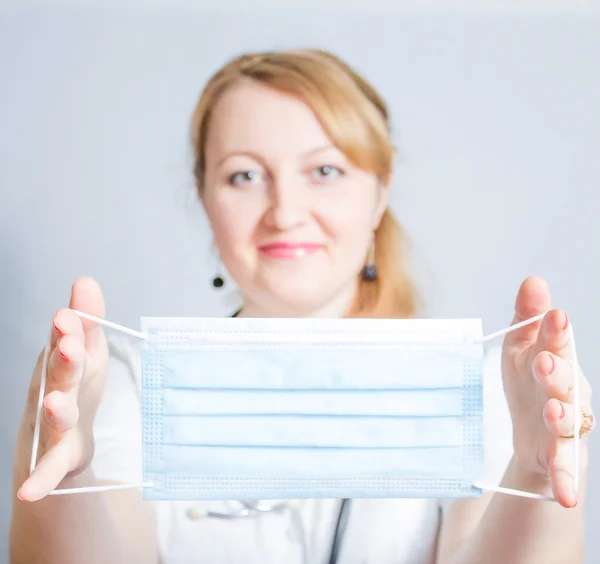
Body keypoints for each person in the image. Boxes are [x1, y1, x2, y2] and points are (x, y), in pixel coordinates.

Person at [10, 49, 593, 564]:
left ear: (379, 194)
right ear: (204, 198)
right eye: (244, 175)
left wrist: (534, 479)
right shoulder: (129, 381)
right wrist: (69, 479)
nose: (285, 211)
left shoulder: (477, 386)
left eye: (325, 171)